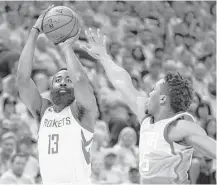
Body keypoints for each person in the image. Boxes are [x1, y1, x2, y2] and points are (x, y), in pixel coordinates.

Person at [81, 28, 216, 184]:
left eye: (153, 90)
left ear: (163, 99)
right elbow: (123, 82)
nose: (149, 93)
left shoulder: (181, 126)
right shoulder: (145, 117)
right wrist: (104, 57)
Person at [16, 6, 97, 184]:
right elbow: (22, 79)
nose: (62, 82)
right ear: (51, 86)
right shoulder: (43, 110)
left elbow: (80, 80)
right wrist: (34, 32)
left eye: (67, 81)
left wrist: (67, 48)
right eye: (58, 79)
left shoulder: (83, 112)